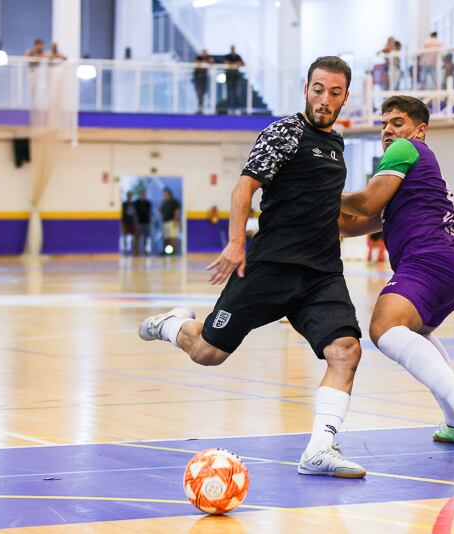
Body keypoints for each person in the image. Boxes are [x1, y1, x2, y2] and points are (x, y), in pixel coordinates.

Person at [139, 56, 368, 478]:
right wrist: (236, 242)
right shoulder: (284, 132)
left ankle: (319, 449)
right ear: (306, 89)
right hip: (270, 267)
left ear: (345, 97)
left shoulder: (337, 145)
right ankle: (172, 324)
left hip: (321, 274)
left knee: (346, 351)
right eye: (318, 89)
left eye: (334, 92)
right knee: (208, 353)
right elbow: (245, 184)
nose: (325, 99)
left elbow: (329, 213)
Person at [339, 95, 454, 447]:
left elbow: (365, 201)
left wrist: (323, 191)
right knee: (417, 333)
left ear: (419, 130)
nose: (387, 131)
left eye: (397, 122)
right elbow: (356, 224)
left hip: (429, 260)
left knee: (383, 327)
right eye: (383, 124)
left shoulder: (404, 150)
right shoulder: (412, 174)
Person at [224, 45, 245, 114]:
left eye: (234, 48)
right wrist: (235, 64)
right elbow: (226, 63)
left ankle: (237, 108)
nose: (233, 49)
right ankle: (231, 108)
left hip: (237, 77)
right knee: (230, 93)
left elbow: (242, 64)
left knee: (237, 93)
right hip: (229, 76)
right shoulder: (228, 56)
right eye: (232, 48)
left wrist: (232, 64)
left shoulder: (238, 56)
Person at [160, 188, 182, 255]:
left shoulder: (174, 202)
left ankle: (174, 251)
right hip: (165, 222)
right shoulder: (164, 202)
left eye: (165, 194)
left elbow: (176, 211)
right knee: (166, 238)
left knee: (173, 237)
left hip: (172, 222)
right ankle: (166, 251)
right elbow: (161, 210)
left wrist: (176, 220)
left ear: (169, 194)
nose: (164, 195)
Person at [193, 49, 214, 114]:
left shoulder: (208, 58)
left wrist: (206, 62)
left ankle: (201, 108)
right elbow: (196, 64)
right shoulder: (198, 57)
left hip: (204, 79)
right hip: (197, 78)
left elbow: (211, 62)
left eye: (205, 52)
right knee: (198, 93)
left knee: (202, 93)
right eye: (203, 52)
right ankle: (200, 107)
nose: (204, 53)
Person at [134, 190, 152, 256]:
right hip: (139, 223)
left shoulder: (148, 203)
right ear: (140, 195)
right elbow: (134, 213)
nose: (143, 195)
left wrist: (150, 222)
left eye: (144, 194)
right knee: (137, 237)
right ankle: (136, 251)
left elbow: (150, 213)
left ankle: (145, 250)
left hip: (147, 222)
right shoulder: (136, 203)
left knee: (146, 237)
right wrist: (135, 222)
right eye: (142, 194)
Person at [121, 191, 138, 256]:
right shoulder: (124, 204)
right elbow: (122, 214)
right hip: (126, 222)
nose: (129, 197)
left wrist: (136, 222)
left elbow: (136, 214)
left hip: (132, 223)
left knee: (134, 237)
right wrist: (122, 223)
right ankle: (125, 249)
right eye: (128, 195)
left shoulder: (134, 204)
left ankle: (134, 250)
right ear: (127, 196)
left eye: (130, 195)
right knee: (125, 236)